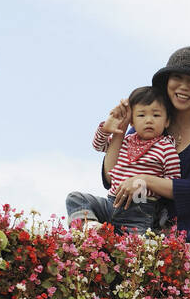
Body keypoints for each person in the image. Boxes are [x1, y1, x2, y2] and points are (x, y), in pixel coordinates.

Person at [79, 46, 190, 243]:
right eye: (177, 78)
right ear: (167, 82)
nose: (183, 86)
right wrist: (120, 129)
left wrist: (145, 179)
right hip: (134, 228)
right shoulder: (145, 127)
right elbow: (112, 177)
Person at [67, 86, 181, 233]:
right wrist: (107, 129)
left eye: (156, 115)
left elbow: (173, 184)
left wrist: (147, 183)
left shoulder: (166, 148)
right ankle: (92, 227)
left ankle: (109, 236)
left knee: (135, 246)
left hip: (139, 211)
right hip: (111, 203)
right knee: (75, 198)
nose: (149, 120)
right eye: (141, 115)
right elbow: (98, 146)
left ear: (167, 121)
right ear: (132, 122)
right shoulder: (125, 141)